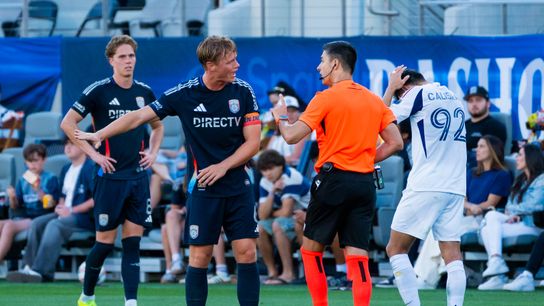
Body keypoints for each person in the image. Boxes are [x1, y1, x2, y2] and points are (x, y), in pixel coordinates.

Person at [75, 35, 261, 306]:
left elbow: (254, 143)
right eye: (230, 61)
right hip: (203, 189)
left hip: (237, 186)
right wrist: (99, 134)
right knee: (199, 258)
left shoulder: (243, 91)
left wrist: (223, 167)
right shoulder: (184, 94)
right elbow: (138, 116)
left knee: (246, 252)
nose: (237, 65)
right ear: (210, 65)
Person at [271, 41, 403, 306]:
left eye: (321, 60)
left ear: (335, 63)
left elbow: (291, 136)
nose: (318, 66)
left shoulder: (325, 98)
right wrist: (363, 158)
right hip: (364, 183)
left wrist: (281, 118)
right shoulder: (372, 100)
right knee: (358, 255)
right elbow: (396, 143)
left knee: (311, 251)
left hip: (332, 181)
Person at [60, 35, 164, 306]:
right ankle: (87, 296)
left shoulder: (144, 92)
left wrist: (153, 152)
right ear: (111, 61)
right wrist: (94, 155)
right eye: (122, 57)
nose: (128, 61)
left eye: (131, 56)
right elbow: (68, 124)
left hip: (138, 178)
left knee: (132, 244)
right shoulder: (98, 91)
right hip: (109, 180)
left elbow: (158, 126)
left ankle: (131, 302)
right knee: (104, 244)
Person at [382, 66, 468, 306]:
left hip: (426, 184)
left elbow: (381, 117)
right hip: (455, 186)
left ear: (405, 86)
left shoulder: (415, 95)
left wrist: (391, 88)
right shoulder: (453, 97)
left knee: (396, 248)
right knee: (452, 254)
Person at [413, 135, 512, 289]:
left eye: (482, 146)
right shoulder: (472, 173)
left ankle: (427, 278)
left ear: (493, 150)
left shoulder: (502, 175)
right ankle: (427, 276)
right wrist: (470, 206)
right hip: (466, 216)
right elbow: (461, 197)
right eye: (477, 146)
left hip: (484, 220)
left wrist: (473, 207)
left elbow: (490, 203)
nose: (477, 150)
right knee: (437, 230)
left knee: (445, 230)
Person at [6, 137, 95, 282]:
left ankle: (41, 272)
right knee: (38, 223)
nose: (67, 147)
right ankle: (27, 268)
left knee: (54, 224)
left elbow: (96, 199)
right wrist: (60, 208)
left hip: (83, 217)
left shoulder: (90, 167)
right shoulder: (66, 168)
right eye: (66, 144)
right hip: (65, 214)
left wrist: (71, 210)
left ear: (84, 146)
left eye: (72, 144)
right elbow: (62, 196)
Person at [477, 143, 544, 290]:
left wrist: (514, 213)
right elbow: (509, 207)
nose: (517, 159)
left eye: (520, 155)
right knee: (491, 219)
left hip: (533, 224)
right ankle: (496, 265)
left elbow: (535, 205)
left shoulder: (542, 180)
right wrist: (514, 213)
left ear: (530, 158)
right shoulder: (520, 180)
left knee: (489, 224)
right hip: (519, 222)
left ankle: (498, 274)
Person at [256, 149, 310, 285]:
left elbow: (285, 212)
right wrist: (272, 191)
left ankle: (288, 274)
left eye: (270, 168)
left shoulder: (291, 177)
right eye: (264, 170)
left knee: (278, 224)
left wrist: (272, 213)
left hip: (308, 217)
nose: (267, 173)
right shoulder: (265, 181)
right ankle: (272, 272)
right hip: (292, 218)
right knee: (260, 227)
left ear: (280, 166)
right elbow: (262, 215)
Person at [1, 144, 60, 262]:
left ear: (44, 160)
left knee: (9, 226)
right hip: (25, 217)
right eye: (29, 161)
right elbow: (16, 207)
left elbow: (51, 206)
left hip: (41, 217)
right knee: (1, 223)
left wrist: (38, 189)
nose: (32, 164)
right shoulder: (23, 180)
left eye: (36, 160)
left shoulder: (50, 178)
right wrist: (12, 197)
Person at [464, 86, 507, 166]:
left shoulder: (496, 127)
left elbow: (493, 157)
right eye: (470, 101)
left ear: (488, 103)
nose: (474, 104)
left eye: (478, 100)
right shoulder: (462, 126)